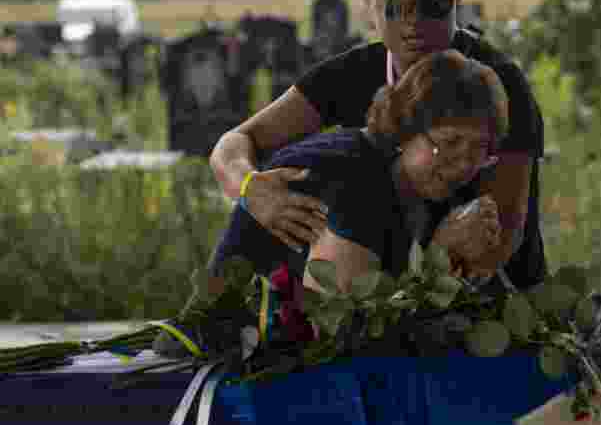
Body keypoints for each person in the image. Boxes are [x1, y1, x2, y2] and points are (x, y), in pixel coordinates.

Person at [208, 0, 546, 291]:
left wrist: (436, 256)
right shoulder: (352, 73)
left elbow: (499, 240)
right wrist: (250, 187)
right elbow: (236, 142)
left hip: (496, 297)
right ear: (369, 5)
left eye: (432, 4)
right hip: (390, 288)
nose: (412, 21)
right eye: (393, 5)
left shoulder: (499, 85)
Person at [154, 50, 509, 357]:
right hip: (216, 379)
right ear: (404, 130)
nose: (463, 164)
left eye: (479, 150)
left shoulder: (439, 186)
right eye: (448, 143)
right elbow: (338, 334)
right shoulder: (353, 176)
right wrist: (439, 259)